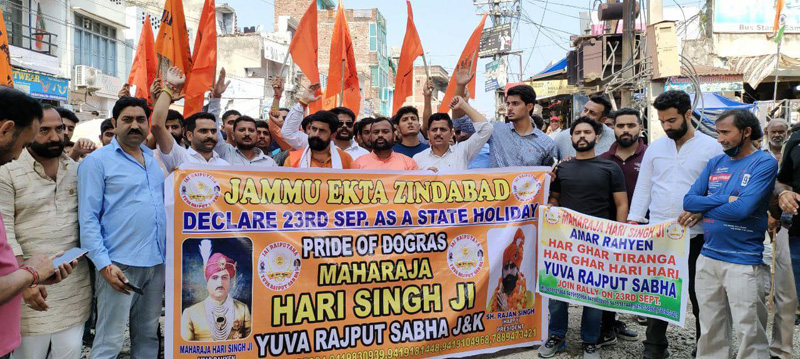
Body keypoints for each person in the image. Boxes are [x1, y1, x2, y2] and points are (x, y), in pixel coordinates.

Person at [628, 90, 723, 359]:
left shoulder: (712, 148)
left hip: (698, 235)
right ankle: (654, 348)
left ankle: (704, 347)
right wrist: (634, 222)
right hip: (659, 235)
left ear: (688, 114)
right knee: (657, 292)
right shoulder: (655, 148)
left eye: (671, 121)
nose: (666, 127)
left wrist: (702, 213)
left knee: (700, 295)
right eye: (662, 122)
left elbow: (718, 190)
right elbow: (644, 186)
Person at [0, 104, 91, 359]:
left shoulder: (76, 170)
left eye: (60, 129)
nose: (54, 137)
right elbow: (4, 231)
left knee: (70, 352)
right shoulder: (7, 171)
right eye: (44, 130)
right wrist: (26, 282)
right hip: (28, 289)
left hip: (73, 287)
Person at [683, 109, 776, 359]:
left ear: (746, 132)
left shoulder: (764, 162)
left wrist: (709, 206)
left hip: (744, 261)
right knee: (710, 328)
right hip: (709, 256)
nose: (720, 139)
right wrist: (727, 199)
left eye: (726, 132)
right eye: (718, 132)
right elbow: (690, 201)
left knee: (750, 332)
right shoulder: (716, 162)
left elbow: (742, 210)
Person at [79, 96, 167, 359]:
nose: (135, 126)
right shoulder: (96, 162)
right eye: (127, 120)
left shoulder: (154, 160)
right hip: (118, 266)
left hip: (156, 263)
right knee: (109, 341)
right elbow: (88, 218)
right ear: (115, 123)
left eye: (141, 120)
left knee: (148, 336)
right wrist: (104, 265)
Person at [539, 117, 628, 359]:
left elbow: (621, 203)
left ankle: (591, 341)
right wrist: (551, 206)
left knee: (594, 294)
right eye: (577, 132)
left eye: (587, 132)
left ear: (596, 137)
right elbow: (555, 199)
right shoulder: (563, 168)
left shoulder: (610, 168)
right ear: (571, 138)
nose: (581, 136)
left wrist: (619, 236)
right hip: (564, 242)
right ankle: (557, 336)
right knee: (558, 292)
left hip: (599, 242)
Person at [758, 118, 795, 359]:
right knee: (758, 289)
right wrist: (767, 216)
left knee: (785, 293)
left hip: (788, 228)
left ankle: (780, 350)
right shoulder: (759, 156)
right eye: (774, 131)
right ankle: (757, 346)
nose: (778, 135)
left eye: (782, 131)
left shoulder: (793, 153)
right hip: (760, 226)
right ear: (766, 132)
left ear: (788, 132)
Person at [151, 67, 229, 173]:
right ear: (189, 135)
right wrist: (170, 87)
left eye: (213, 131)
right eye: (203, 131)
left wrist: (216, 97)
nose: (210, 135)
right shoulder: (180, 157)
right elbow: (157, 125)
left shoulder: (225, 166)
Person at [280, 83, 369, 160]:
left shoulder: (364, 155)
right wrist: (303, 102)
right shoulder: (317, 143)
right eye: (340, 123)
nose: (344, 126)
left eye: (349, 123)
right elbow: (289, 133)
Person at [181, 244, 251, 341]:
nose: (220, 282)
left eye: (224, 277)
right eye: (214, 278)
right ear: (207, 283)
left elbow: (250, 344)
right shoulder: (190, 313)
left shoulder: (242, 310)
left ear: (230, 282)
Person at [485, 84, 558, 167]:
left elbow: (550, 174)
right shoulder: (496, 130)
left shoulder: (547, 144)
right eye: (508, 104)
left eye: (515, 104)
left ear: (529, 107)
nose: (509, 108)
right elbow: (469, 124)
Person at [413, 96, 492, 171]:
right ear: (428, 134)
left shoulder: (462, 151)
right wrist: (424, 177)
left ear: (451, 133)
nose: (438, 133)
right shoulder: (417, 159)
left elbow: (487, 129)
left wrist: (463, 105)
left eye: (443, 129)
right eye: (434, 130)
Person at [284, 111, 355, 169]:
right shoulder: (293, 160)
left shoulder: (345, 159)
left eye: (322, 131)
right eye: (314, 129)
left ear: (333, 135)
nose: (316, 134)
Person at [488, 228, 534, 311]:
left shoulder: (529, 296)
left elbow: (528, 321)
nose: (508, 271)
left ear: (518, 270)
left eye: (512, 267)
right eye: (505, 268)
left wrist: (506, 311)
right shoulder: (494, 298)